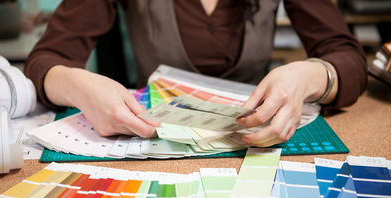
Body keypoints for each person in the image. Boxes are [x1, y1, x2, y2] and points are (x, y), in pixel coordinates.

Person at [24, 0, 367, 147]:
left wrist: (306, 77)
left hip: (254, 148)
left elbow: (348, 58)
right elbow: (46, 60)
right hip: (152, 149)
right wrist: (76, 84)